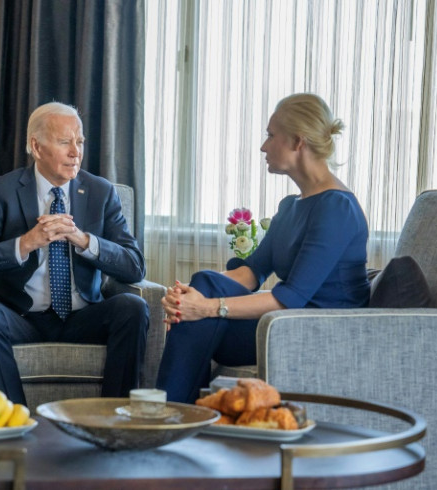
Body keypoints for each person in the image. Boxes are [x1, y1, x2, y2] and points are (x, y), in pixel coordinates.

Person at [156, 93, 370, 403]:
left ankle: (171, 417)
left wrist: (207, 306)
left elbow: (291, 299)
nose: (263, 146)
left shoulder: (336, 209)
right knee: (203, 283)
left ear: (298, 142)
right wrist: (191, 295)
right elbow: (251, 272)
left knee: (202, 310)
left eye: (271, 135)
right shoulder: (292, 207)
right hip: (285, 324)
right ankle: (179, 417)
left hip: (321, 332)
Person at [0, 101, 150, 406]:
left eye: (79, 141)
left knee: (132, 307)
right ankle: (13, 419)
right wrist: (26, 242)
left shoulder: (101, 192)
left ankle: (113, 417)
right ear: (36, 146)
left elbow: (135, 266)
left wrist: (83, 240)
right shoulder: (2, 192)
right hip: (22, 316)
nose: (76, 152)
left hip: (84, 315)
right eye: (64, 142)